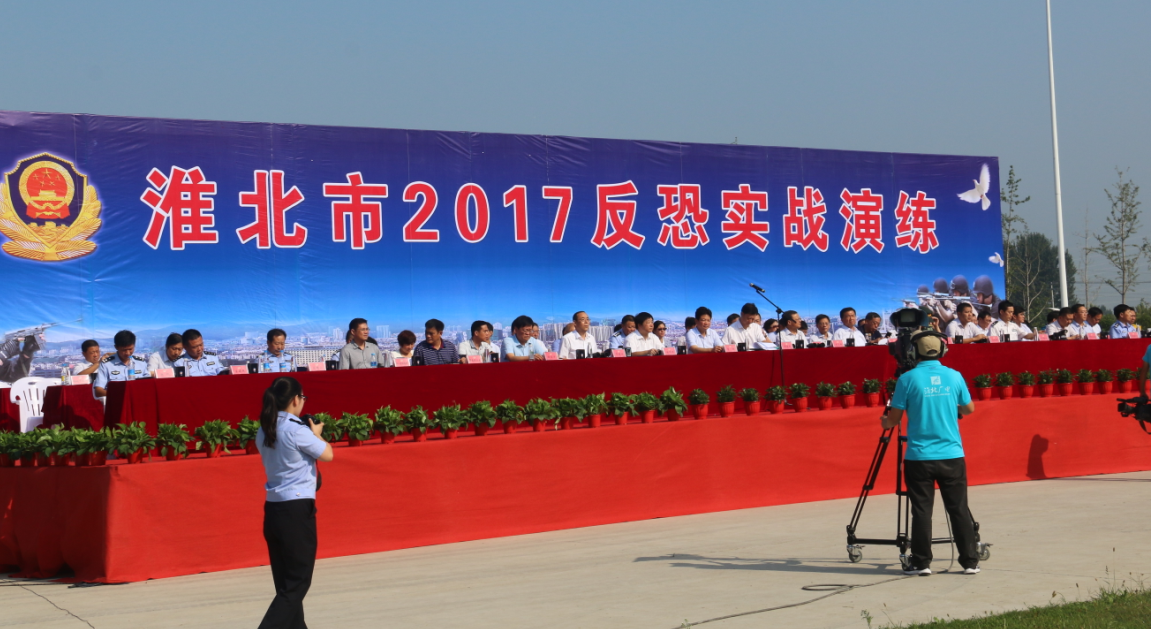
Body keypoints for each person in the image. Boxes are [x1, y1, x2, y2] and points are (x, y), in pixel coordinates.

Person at [882, 332, 980, 576]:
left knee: (922, 511)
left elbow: (894, 419)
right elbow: (969, 409)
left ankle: (921, 562)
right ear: (942, 351)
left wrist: (884, 422)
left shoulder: (907, 378)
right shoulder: (954, 375)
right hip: (952, 455)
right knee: (958, 509)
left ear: (913, 352)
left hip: (919, 456)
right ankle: (970, 562)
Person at [256, 376, 334, 628]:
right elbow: (328, 454)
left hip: (274, 508)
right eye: (303, 397)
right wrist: (316, 434)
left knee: (286, 584)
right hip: (296, 509)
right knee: (297, 583)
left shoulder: (265, 428)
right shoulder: (296, 430)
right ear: (294, 400)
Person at [93, 330, 149, 398]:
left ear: (134, 346)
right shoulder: (106, 364)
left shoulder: (141, 363)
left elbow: (149, 385)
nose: (127, 353)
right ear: (116, 347)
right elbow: (98, 391)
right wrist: (120, 394)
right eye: (124, 350)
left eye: (130, 349)